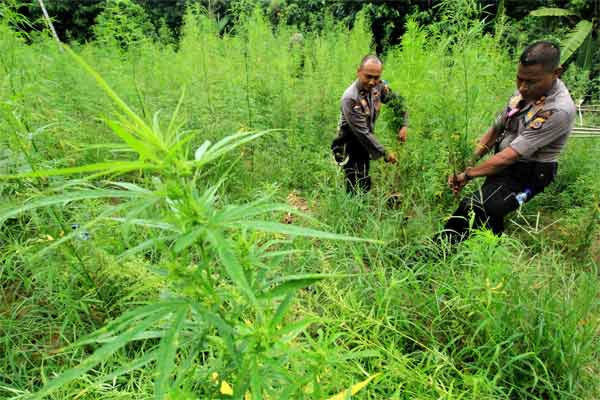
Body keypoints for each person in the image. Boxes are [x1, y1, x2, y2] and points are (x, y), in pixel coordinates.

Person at [442, 41, 575, 243]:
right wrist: (470, 160)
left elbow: (510, 156)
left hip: (530, 175)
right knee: (490, 210)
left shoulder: (559, 109)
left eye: (531, 82)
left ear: (556, 73)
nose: (522, 87)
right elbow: (495, 130)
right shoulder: (523, 92)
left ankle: (438, 249)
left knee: (477, 206)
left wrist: (468, 174)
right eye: (519, 79)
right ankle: (490, 252)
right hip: (502, 164)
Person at [332, 55, 408, 193]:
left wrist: (404, 124)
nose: (372, 82)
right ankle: (352, 211)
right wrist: (385, 153)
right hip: (349, 143)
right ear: (358, 72)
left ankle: (357, 207)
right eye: (368, 76)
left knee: (364, 181)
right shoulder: (350, 98)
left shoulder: (379, 86)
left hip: (365, 142)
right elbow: (362, 133)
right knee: (356, 183)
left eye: (376, 77)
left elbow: (397, 102)